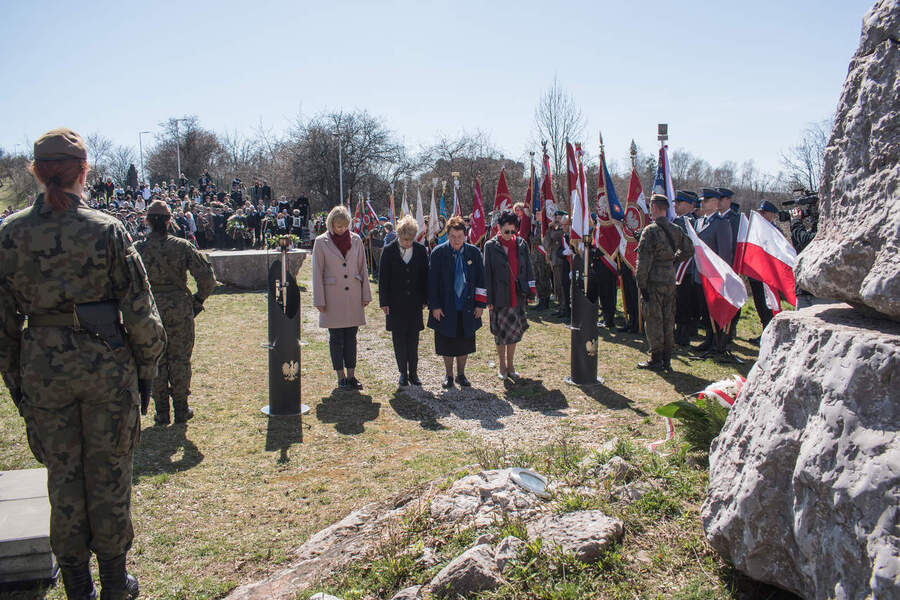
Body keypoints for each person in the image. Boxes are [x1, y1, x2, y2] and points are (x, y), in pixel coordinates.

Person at [0, 128, 166, 599]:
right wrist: (147, 369)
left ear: (35, 171)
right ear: (83, 171)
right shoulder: (106, 230)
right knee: (110, 473)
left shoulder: (9, 235)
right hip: (105, 369)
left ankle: (78, 586)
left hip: (43, 373)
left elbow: (3, 327)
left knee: (63, 478)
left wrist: (18, 383)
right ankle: (115, 583)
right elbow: (140, 312)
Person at [136, 200, 217, 424]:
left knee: (156, 359)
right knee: (180, 359)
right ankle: (181, 408)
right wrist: (198, 300)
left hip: (150, 309)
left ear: (147, 221)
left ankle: (161, 411)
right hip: (180, 308)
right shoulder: (182, 246)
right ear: (170, 221)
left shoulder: (138, 249)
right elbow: (208, 279)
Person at [312, 205, 372, 390]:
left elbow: (363, 267)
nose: (342, 229)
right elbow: (317, 272)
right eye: (338, 226)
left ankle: (352, 375)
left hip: (353, 295)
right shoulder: (321, 242)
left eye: (345, 226)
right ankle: (341, 376)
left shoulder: (356, 241)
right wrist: (319, 300)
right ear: (331, 224)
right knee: (336, 338)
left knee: (351, 337)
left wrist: (365, 294)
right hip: (332, 298)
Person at [635, 194, 695, 371]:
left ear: (654, 207)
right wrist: (673, 260)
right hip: (670, 280)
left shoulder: (650, 231)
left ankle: (656, 358)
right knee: (668, 319)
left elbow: (643, 261)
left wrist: (641, 284)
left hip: (653, 281)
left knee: (653, 320)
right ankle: (667, 358)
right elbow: (689, 249)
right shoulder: (676, 229)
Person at [427, 215, 486, 388]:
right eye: (453, 236)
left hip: (467, 307)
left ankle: (461, 374)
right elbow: (432, 283)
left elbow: (481, 281)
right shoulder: (438, 253)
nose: (456, 240)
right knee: (446, 342)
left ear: (465, 235)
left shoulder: (474, 253)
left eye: (460, 237)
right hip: (445, 307)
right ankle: (449, 375)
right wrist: (435, 307)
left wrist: (480, 305)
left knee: (464, 341)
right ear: (448, 234)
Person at [484, 211, 536, 380]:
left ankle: (511, 365)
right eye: (506, 231)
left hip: (517, 296)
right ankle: (501, 365)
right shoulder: (490, 246)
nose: (510, 235)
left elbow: (528, 268)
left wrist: (531, 291)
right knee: (500, 334)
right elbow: (487, 274)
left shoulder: (521, 244)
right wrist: (488, 299)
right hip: (499, 296)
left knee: (513, 333)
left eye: (513, 231)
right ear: (499, 228)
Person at [379, 215, 428, 386]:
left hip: (415, 303)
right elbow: (383, 278)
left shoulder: (421, 251)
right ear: (398, 235)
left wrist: (425, 299)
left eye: (410, 239)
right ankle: (402, 372)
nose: (407, 243)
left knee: (413, 339)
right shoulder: (388, 250)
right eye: (404, 239)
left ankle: (413, 372)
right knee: (398, 339)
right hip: (395, 303)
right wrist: (383, 301)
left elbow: (424, 277)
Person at [694, 188, 734, 357]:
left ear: (716, 203)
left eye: (706, 200)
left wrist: (722, 276)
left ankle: (717, 342)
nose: (702, 203)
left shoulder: (722, 223)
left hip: (715, 275)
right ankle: (709, 339)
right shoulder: (699, 222)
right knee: (703, 309)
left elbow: (725, 252)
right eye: (702, 200)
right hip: (701, 273)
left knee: (714, 310)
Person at [672, 190, 700, 345]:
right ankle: (683, 331)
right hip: (684, 268)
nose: (676, 205)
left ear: (690, 205)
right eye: (675, 202)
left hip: (685, 268)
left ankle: (683, 334)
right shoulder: (686, 220)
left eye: (679, 202)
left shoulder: (685, 221)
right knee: (682, 301)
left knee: (683, 302)